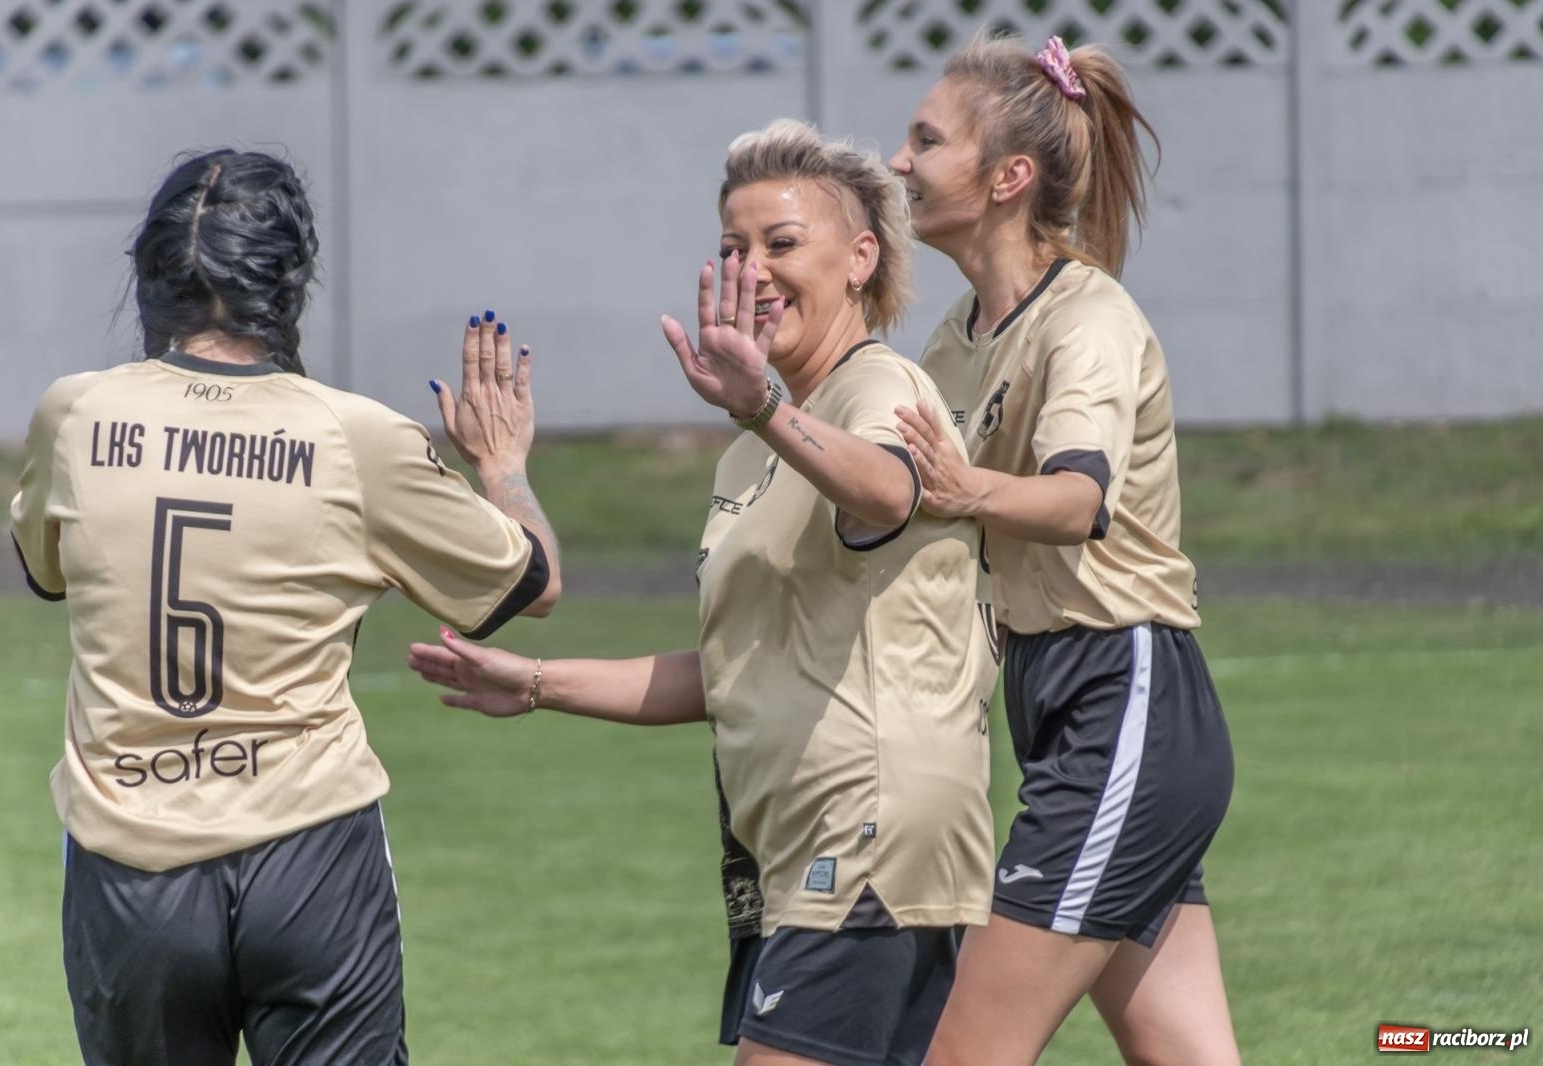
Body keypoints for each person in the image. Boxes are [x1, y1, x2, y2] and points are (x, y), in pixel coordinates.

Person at [407, 119, 998, 1066]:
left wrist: (762, 406)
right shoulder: (750, 450)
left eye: (782, 242)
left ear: (861, 259)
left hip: (869, 830)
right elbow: (736, 670)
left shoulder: (876, 388)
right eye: (734, 247)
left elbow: (892, 488)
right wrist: (536, 683)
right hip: (802, 842)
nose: (752, 270)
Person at [9, 148, 561, 1065]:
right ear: (291, 278)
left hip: (129, 864)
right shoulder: (356, 434)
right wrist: (504, 469)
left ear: (151, 273)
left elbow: (46, 570)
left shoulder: (74, 414)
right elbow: (531, 583)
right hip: (310, 855)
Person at [885, 34, 1240, 1066]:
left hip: (1123, 694)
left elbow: (1079, 498)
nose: (899, 161)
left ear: (1007, 178)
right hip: (1056, 701)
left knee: (963, 1053)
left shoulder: (1088, 318)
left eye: (925, 141)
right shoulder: (953, 338)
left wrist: (964, 491)